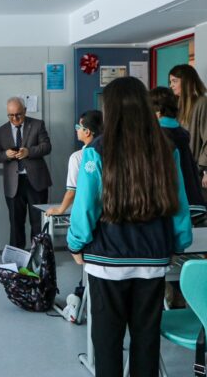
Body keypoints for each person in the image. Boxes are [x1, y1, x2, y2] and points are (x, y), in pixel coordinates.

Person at [67, 77, 192, 377]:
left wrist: (75, 243)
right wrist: (179, 242)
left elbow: (86, 206)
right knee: (146, 340)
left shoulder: (96, 150)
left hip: (107, 262)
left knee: (107, 342)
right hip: (152, 260)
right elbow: (179, 204)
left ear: (110, 110)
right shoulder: (166, 148)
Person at [0, 97, 52, 249]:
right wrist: (6, 154)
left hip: (36, 182)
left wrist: (28, 152)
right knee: (15, 223)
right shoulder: (0, 132)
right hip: (13, 184)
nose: (15, 118)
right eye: (11, 115)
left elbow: (46, 147)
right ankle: (17, 257)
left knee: (38, 222)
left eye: (18, 114)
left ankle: (38, 256)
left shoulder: (37, 124)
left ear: (25, 111)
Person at [149, 86, 206, 219]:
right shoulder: (181, 132)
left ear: (158, 112)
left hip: (171, 203)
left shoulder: (159, 135)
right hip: (191, 197)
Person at [46, 110, 103, 216]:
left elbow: (72, 191)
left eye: (78, 127)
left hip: (88, 211)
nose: (77, 130)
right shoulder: (111, 153)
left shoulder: (77, 157)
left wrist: (60, 210)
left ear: (87, 132)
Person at [169, 64, 207, 190]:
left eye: (175, 81)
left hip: (196, 172)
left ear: (186, 82)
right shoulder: (175, 104)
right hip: (178, 171)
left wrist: (204, 169)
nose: (171, 85)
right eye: (170, 82)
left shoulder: (202, 103)